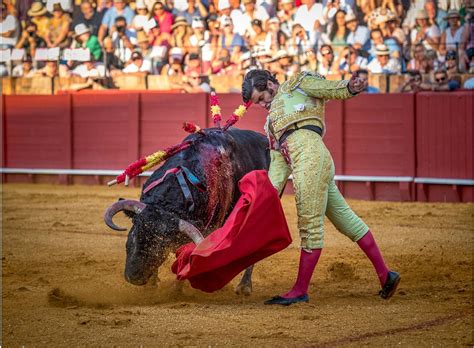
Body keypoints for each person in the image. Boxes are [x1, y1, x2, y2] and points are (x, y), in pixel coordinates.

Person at [241, 69, 400, 305]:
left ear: (271, 84)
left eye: (262, 98)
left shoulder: (297, 84)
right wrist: (269, 196)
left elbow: (329, 89)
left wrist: (350, 88)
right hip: (312, 160)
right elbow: (278, 163)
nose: (263, 104)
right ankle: (386, 275)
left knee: (309, 225)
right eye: (258, 103)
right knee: (347, 220)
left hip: (310, 158)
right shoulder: (271, 125)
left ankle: (300, 289)